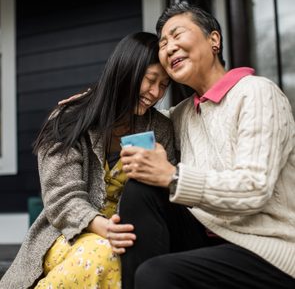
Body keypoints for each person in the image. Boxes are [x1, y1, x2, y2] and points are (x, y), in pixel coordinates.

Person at [119, 3, 295, 289]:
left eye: (177, 35)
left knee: (157, 274)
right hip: (210, 238)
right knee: (141, 188)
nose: (169, 48)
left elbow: (254, 187)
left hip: (269, 249)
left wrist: (173, 177)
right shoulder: (182, 114)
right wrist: (87, 103)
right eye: (163, 43)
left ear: (214, 40)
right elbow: (127, 114)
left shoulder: (257, 93)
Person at [0, 32, 176, 289]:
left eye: (164, 85)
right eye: (150, 80)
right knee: (102, 255)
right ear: (125, 71)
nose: (155, 93)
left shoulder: (160, 129)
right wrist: (104, 228)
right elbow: (62, 198)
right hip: (65, 234)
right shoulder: (69, 119)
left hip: (130, 237)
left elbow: (162, 196)